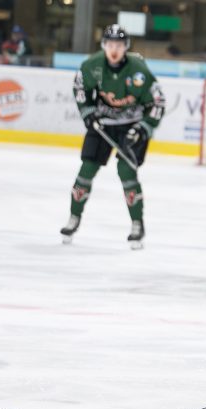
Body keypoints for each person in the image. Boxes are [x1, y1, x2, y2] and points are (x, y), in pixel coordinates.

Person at [60, 24, 165, 249]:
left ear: (126, 47)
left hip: (132, 126)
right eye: (110, 45)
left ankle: (137, 223)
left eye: (118, 45)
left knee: (126, 171)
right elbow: (80, 88)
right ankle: (74, 217)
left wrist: (144, 128)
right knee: (86, 169)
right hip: (103, 124)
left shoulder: (138, 70)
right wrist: (88, 113)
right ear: (103, 46)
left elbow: (157, 102)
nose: (114, 49)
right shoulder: (92, 65)